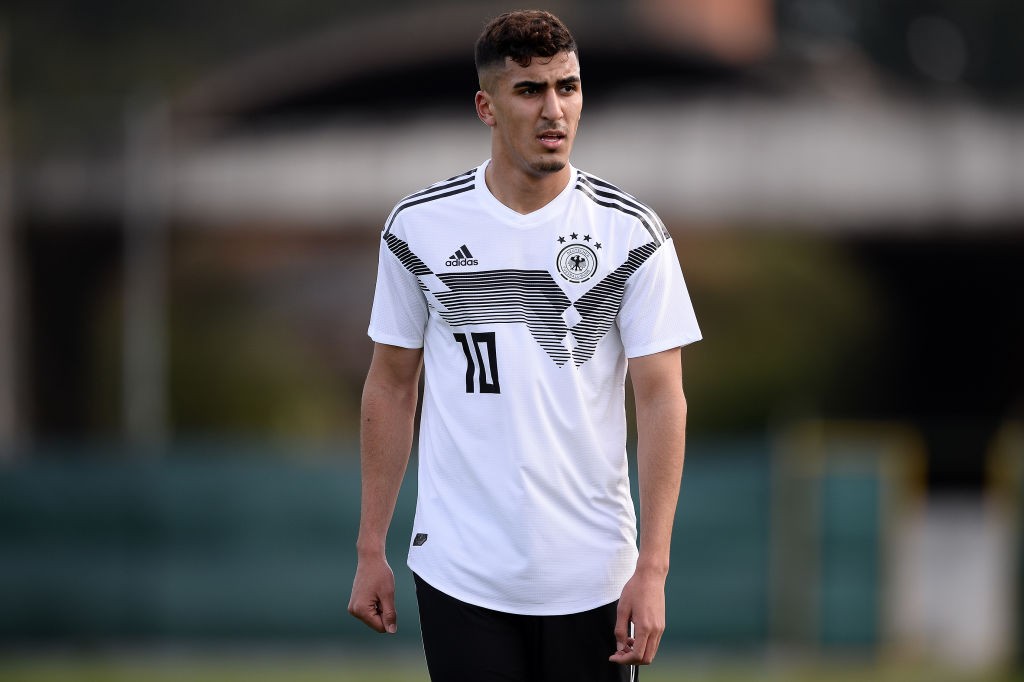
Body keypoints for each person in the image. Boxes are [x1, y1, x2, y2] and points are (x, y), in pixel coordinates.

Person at [348, 9, 701, 681]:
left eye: (567, 88)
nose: (553, 109)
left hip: (595, 574)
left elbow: (662, 399)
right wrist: (371, 547)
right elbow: (391, 384)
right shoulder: (417, 228)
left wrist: (652, 568)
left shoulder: (633, 234)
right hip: (460, 569)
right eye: (530, 90)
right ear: (487, 106)